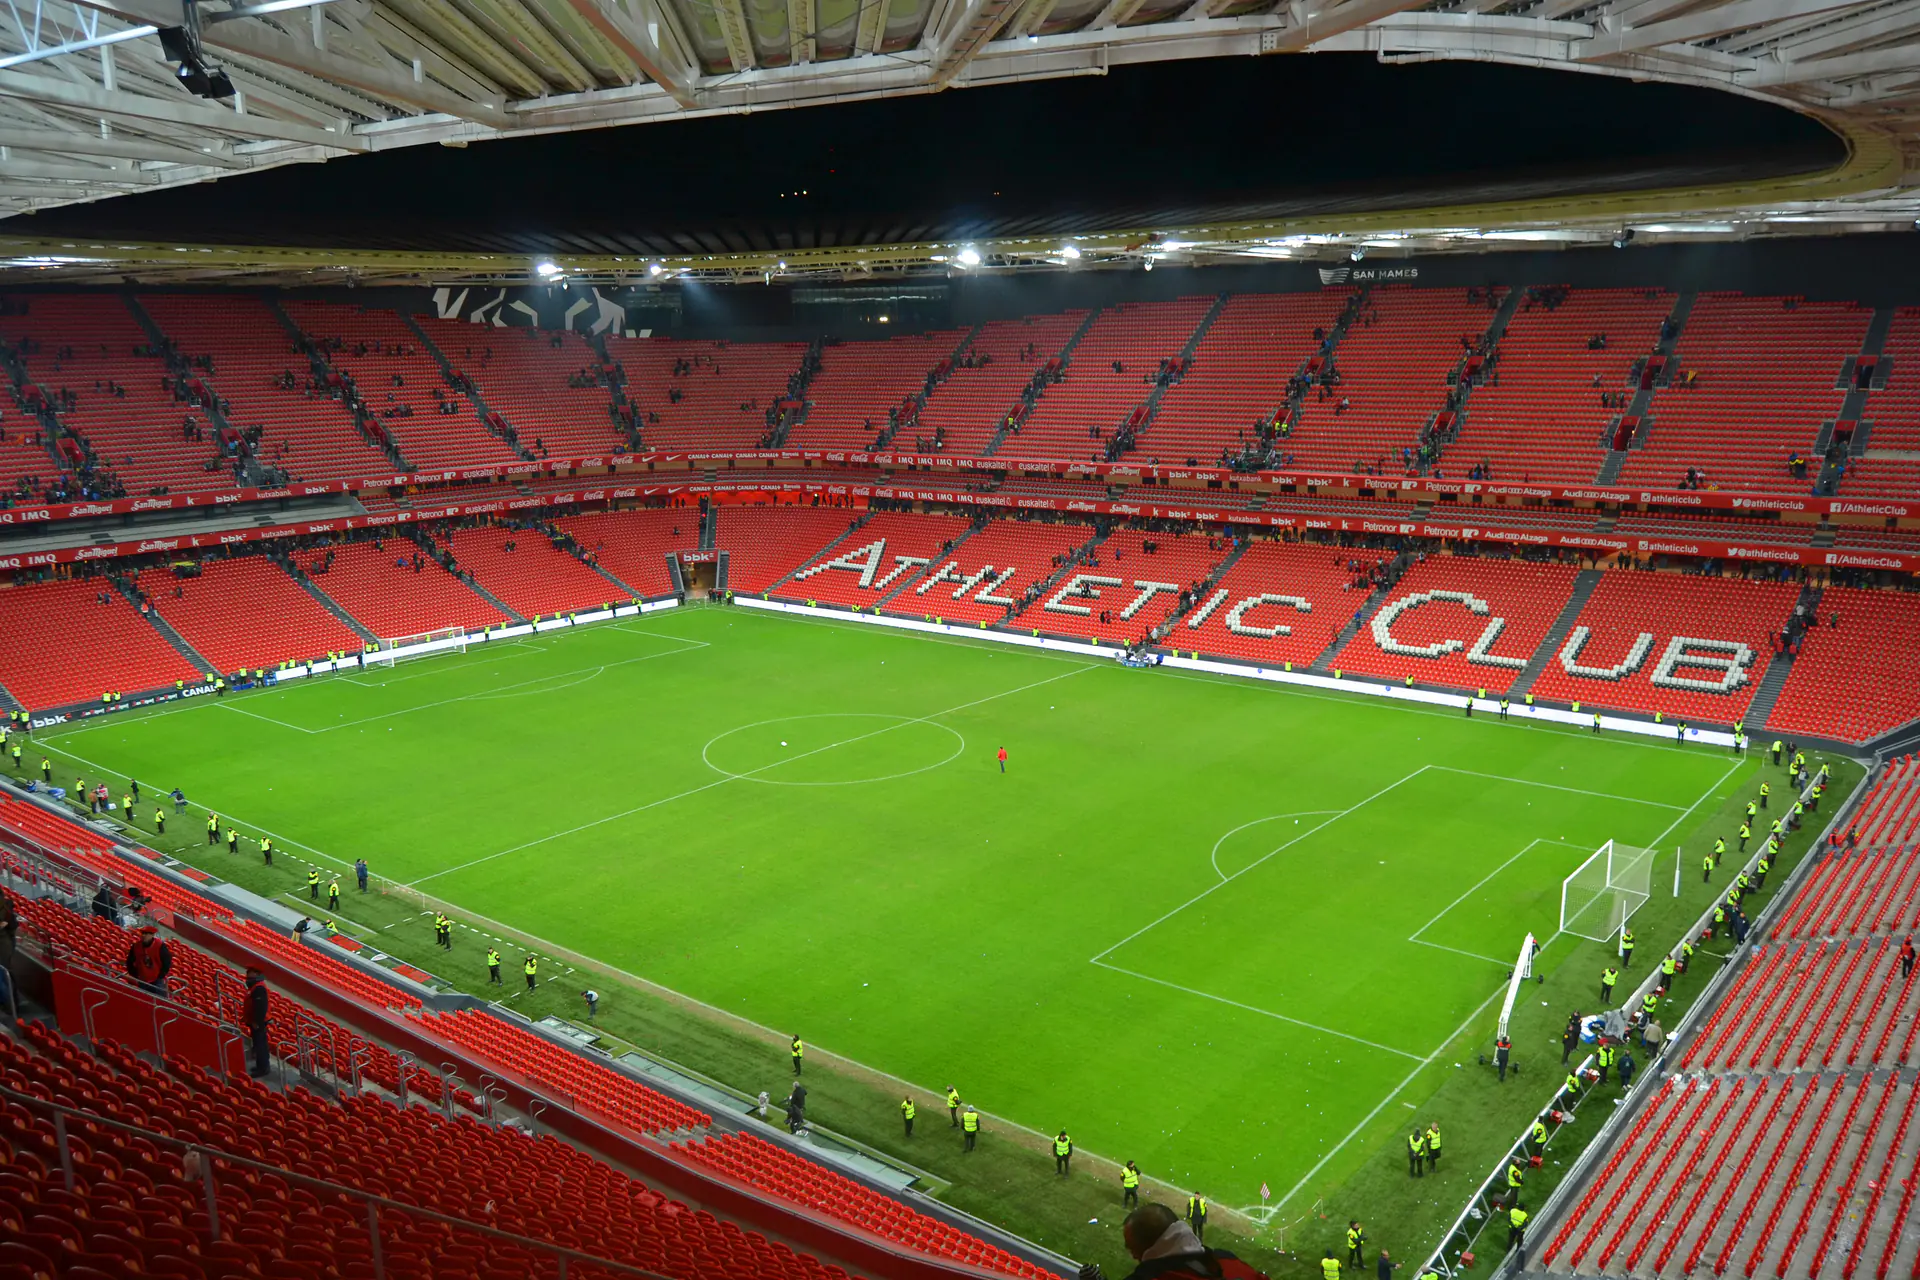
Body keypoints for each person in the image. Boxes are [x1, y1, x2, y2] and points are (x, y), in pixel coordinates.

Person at [124, 925, 172, 996]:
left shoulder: (160, 945)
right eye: (142, 933)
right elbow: (129, 962)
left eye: (146, 933)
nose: (143, 935)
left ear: (152, 935)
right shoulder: (136, 946)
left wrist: (160, 975)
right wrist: (135, 974)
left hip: (157, 980)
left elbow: (167, 962)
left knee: (160, 999)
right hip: (142, 980)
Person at [246, 968, 271, 1078]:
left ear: (256, 973)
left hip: (258, 1022)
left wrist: (257, 1022)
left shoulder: (259, 988)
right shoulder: (255, 986)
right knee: (258, 1044)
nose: (247, 973)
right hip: (254, 1021)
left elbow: (261, 1007)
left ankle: (263, 1068)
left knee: (261, 1045)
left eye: (250, 971)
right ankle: (260, 1065)